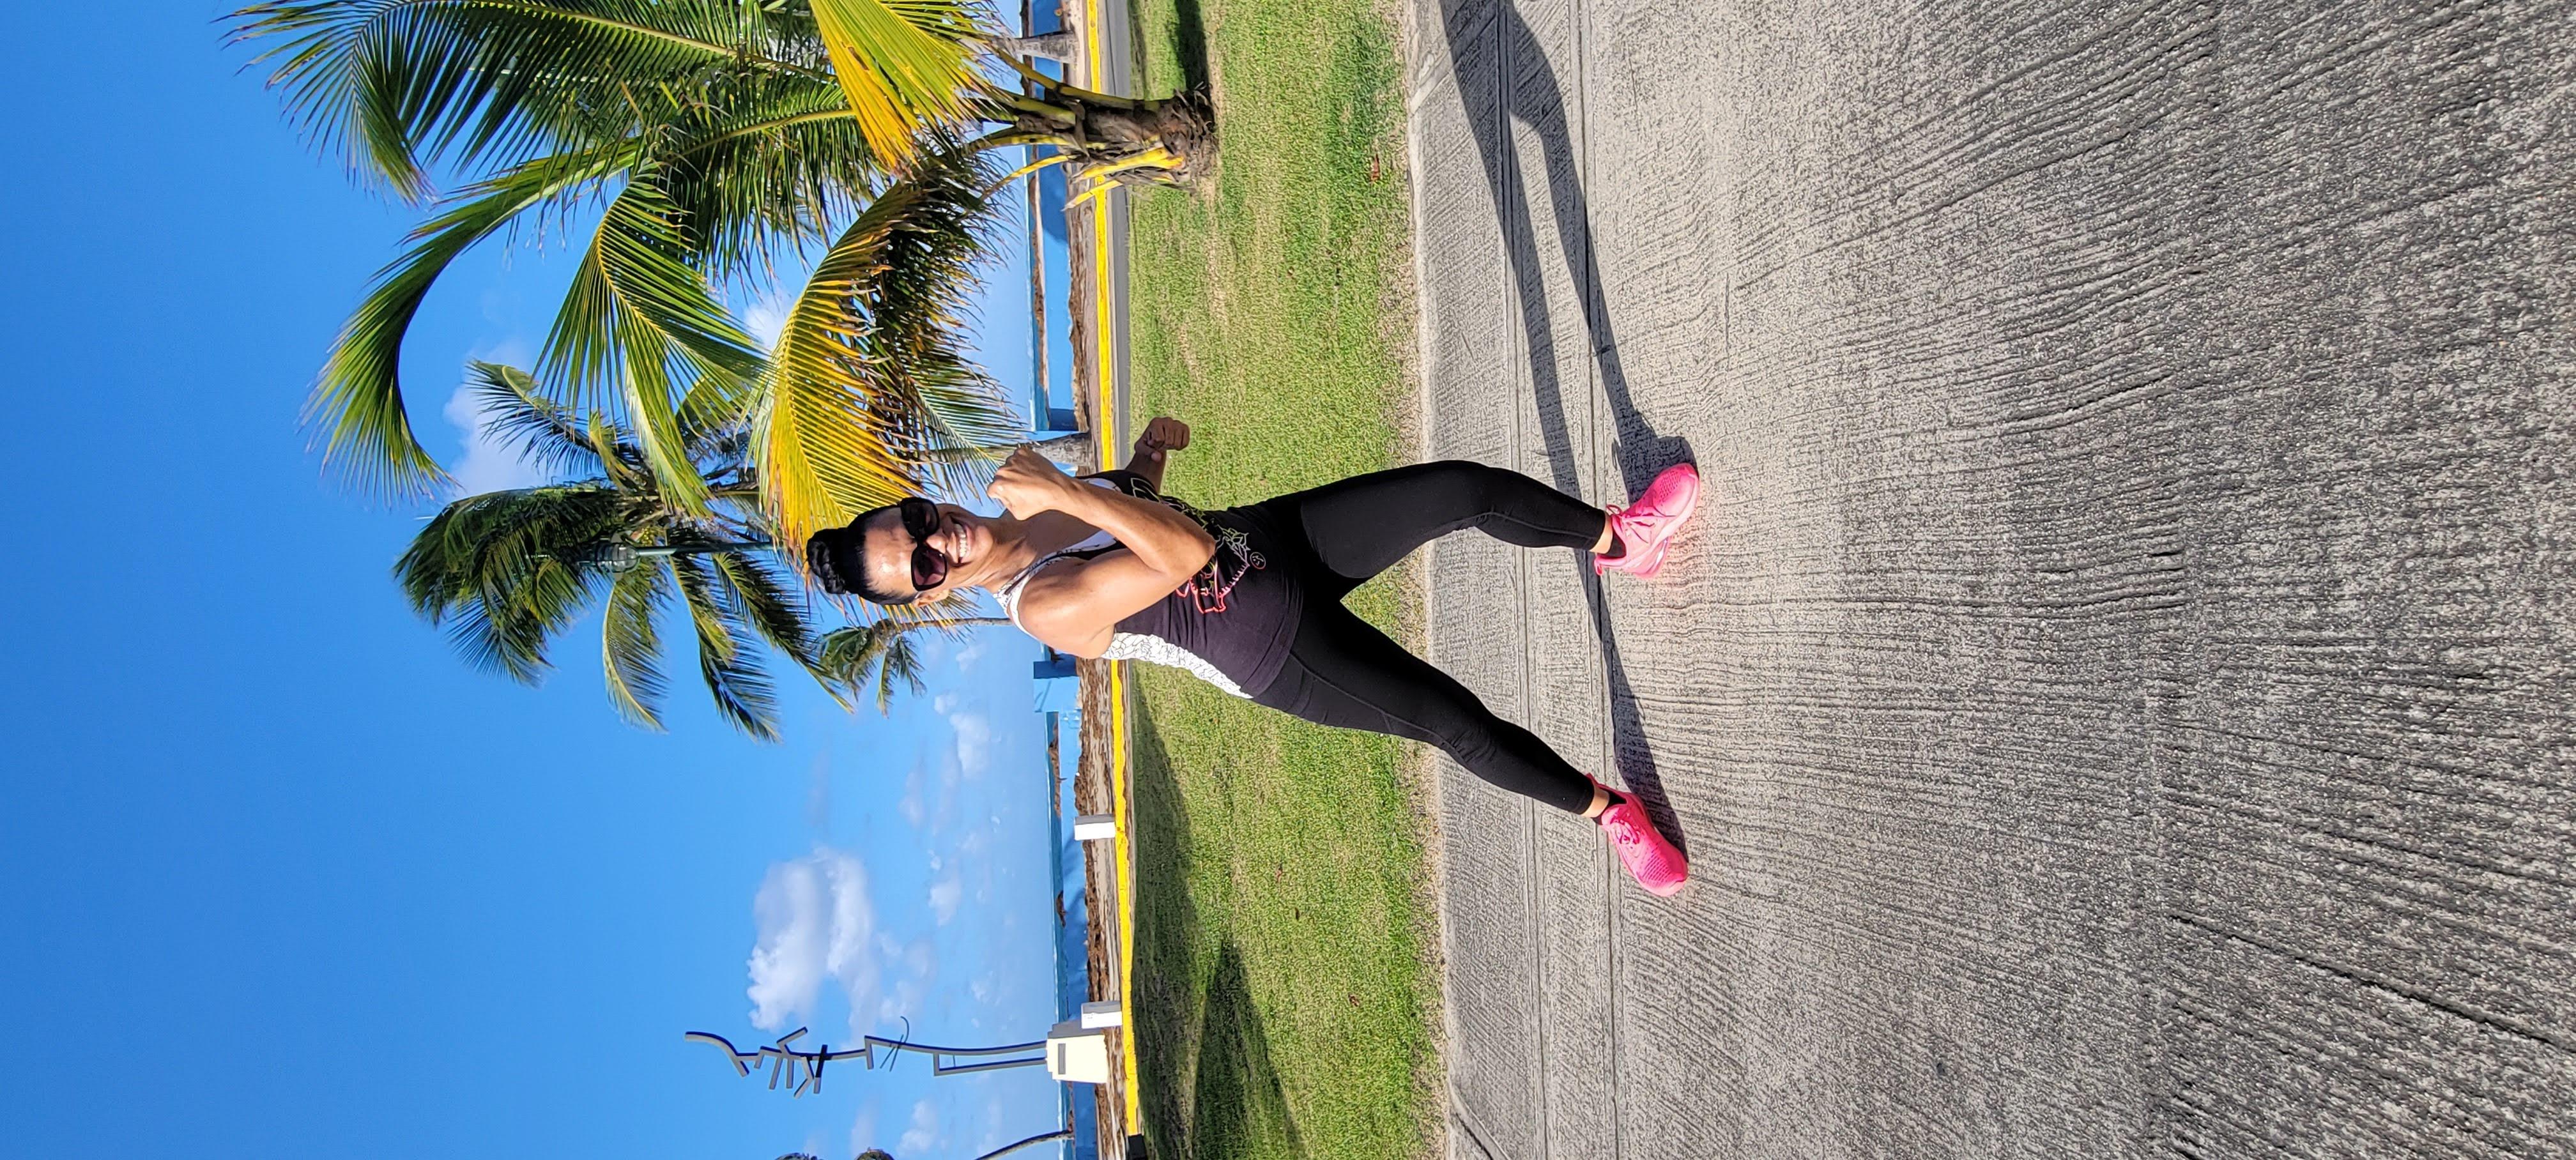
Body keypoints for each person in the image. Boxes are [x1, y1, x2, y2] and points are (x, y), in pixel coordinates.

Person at [806, 417, 1698, 896]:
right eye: (923, 564)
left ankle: (1622, 539)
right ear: (929, 594)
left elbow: (1138, 514)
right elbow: (1178, 559)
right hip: (1277, 649)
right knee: (1456, 724)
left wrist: (1140, 463)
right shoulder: (1039, 608)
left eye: (918, 520)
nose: (940, 540)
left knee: (1458, 488)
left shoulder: (1023, 507)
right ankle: (1608, 812)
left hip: (1278, 541)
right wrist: (1070, 486)